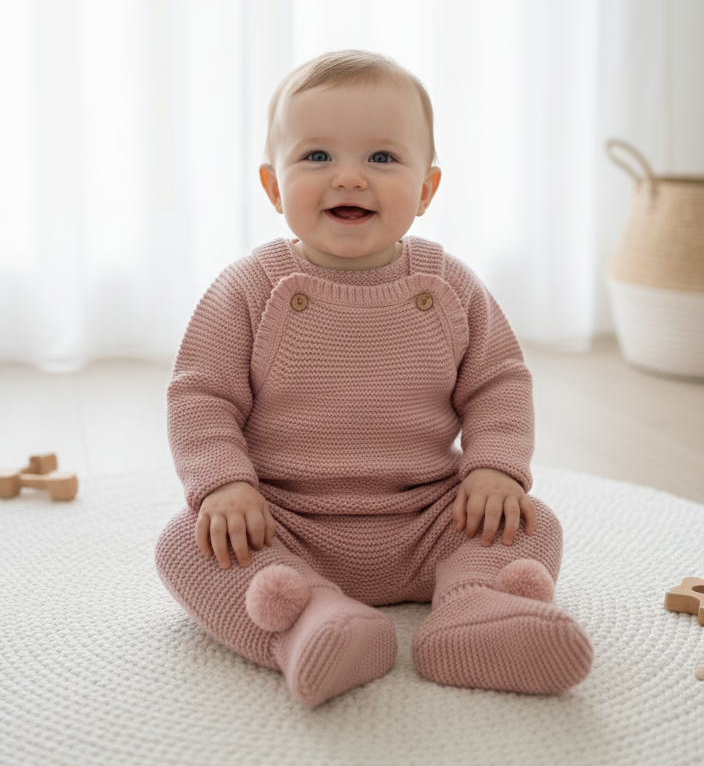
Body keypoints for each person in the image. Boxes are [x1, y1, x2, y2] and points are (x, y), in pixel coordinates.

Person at [155, 49, 593, 707]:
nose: (350, 178)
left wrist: (495, 470)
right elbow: (201, 395)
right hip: (283, 523)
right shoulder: (248, 288)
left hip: (428, 519)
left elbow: (498, 382)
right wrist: (223, 484)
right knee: (185, 544)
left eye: (382, 157)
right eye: (317, 156)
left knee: (532, 524)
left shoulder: (450, 285)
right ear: (273, 187)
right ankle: (310, 623)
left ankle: (474, 608)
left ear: (426, 189)